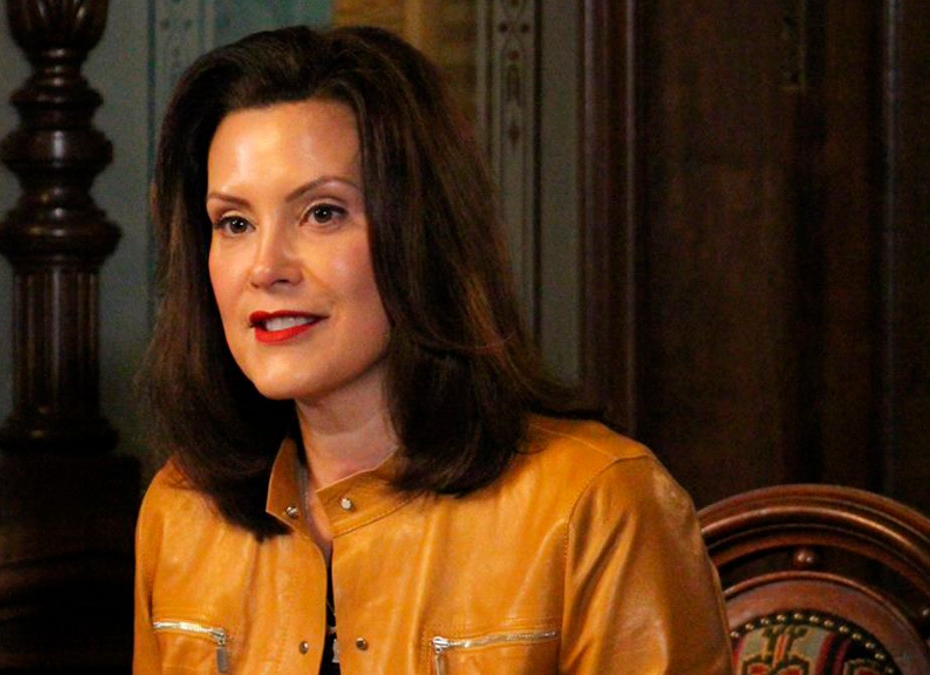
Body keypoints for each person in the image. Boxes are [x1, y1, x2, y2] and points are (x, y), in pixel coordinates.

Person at [134, 25, 732, 675]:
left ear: (421, 233)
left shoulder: (598, 502)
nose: (266, 266)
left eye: (322, 212)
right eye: (235, 222)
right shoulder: (181, 508)